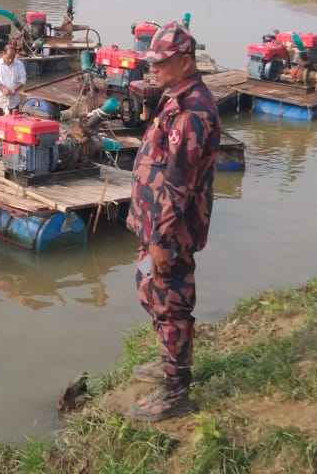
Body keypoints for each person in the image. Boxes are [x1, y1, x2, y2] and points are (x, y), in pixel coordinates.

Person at [125, 22, 221, 422]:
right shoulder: (174, 98)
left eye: (161, 63)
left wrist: (162, 239)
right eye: (152, 62)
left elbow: (179, 182)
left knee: (171, 303)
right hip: (155, 226)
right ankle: (169, 360)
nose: (154, 69)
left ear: (185, 62)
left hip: (171, 231)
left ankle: (177, 388)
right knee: (151, 292)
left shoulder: (192, 112)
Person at [0, 41, 27, 117]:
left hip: (13, 101)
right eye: (8, 58)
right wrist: (2, 88)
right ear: (3, 53)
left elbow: (23, 80)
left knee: (14, 123)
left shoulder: (19, 64)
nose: (10, 60)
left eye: (13, 58)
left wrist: (14, 90)